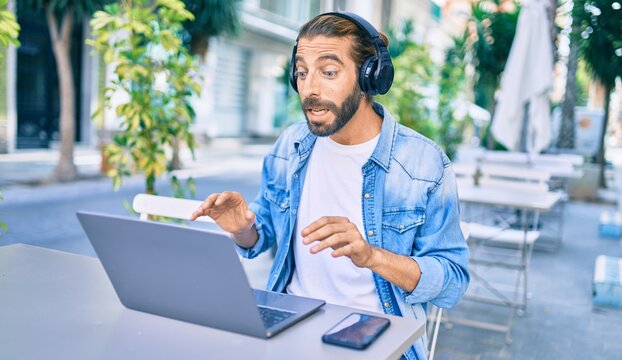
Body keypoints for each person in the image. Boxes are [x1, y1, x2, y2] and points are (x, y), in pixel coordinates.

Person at [191, 11, 469, 360]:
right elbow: (263, 236)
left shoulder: (423, 164)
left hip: (376, 337)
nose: (310, 88)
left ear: (370, 78)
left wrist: (372, 256)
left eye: (329, 72)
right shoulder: (290, 146)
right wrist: (244, 228)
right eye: (303, 73)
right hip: (290, 326)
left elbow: (452, 283)